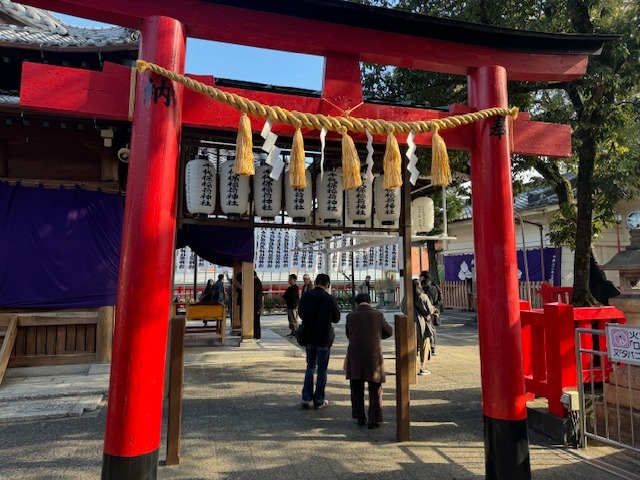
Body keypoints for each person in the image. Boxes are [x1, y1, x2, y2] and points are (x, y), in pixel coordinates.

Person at [345, 293, 393, 429]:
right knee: (375, 388)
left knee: (356, 387)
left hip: (355, 355)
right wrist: (376, 335)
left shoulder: (350, 316)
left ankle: (360, 416)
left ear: (356, 303)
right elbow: (389, 331)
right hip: (373, 356)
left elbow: (348, 334)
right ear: (370, 302)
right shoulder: (377, 315)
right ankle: (374, 419)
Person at [297, 273, 341, 410]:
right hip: (324, 338)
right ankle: (319, 400)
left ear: (315, 282)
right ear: (327, 285)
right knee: (322, 370)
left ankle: (306, 397)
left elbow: (301, 313)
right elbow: (336, 318)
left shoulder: (306, 296)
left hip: (309, 336)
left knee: (310, 366)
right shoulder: (329, 298)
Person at [402, 279, 436, 375]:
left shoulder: (406, 297)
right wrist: (433, 309)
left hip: (409, 323)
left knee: (411, 346)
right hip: (422, 324)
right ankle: (422, 367)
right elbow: (429, 310)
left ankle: (409, 367)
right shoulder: (423, 296)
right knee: (424, 345)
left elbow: (403, 309)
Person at [420, 271, 443, 356]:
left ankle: (424, 348)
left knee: (423, 329)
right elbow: (441, 298)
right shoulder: (435, 286)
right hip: (433, 311)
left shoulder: (420, 286)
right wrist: (434, 307)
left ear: (423, 277)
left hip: (423, 311)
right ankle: (433, 347)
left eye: (420, 276)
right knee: (432, 329)